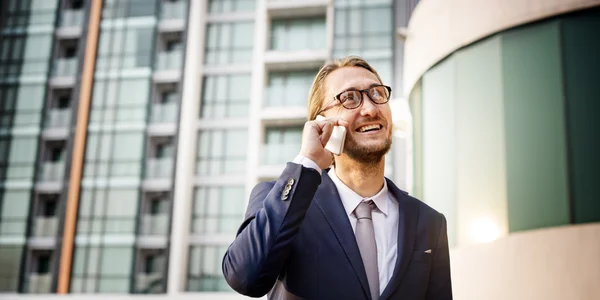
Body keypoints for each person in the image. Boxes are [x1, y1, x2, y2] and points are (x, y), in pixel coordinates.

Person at [222, 56, 452, 300]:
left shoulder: (429, 223)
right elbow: (245, 277)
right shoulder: (281, 200)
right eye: (350, 98)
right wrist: (308, 160)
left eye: (377, 94)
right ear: (321, 122)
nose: (370, 109)